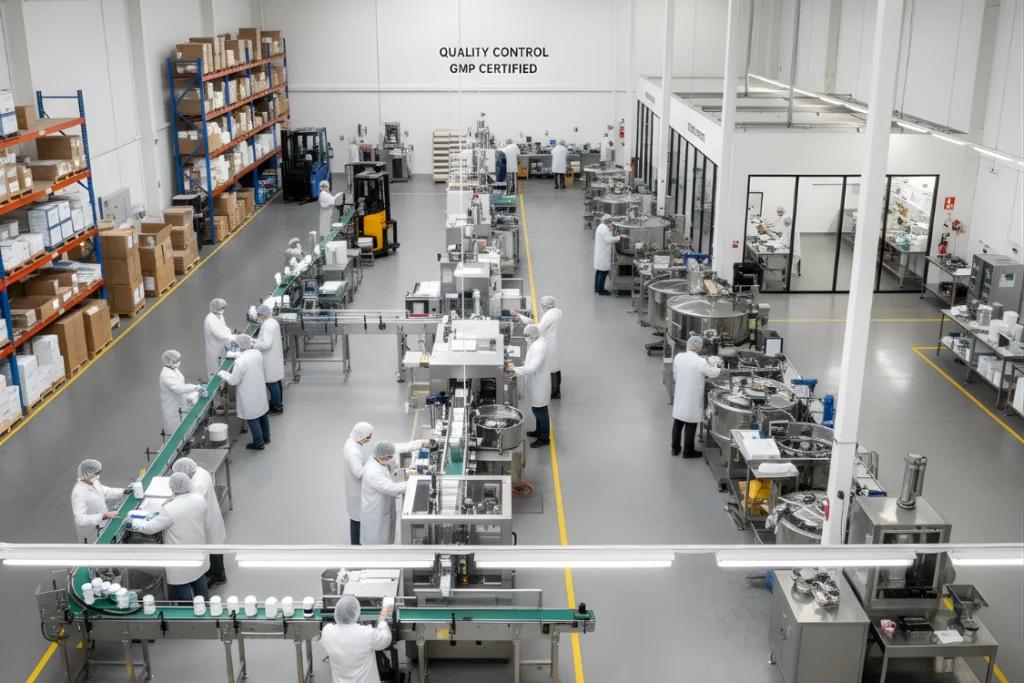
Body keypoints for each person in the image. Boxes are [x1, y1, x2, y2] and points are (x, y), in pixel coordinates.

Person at [128, 472, 210, 602]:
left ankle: (188, 617)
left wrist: (134, 523)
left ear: (172, 487)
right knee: (199, 581)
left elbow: (150, 528)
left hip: (180, 557)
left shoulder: (170, 509)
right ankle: (206, 610)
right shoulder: (199, 499)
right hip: (198, 549)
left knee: (184, 591)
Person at [172, 457, 228, 587]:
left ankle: (219, 576)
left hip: (206, 520)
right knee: (214, 546)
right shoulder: (201, 470)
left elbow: (193, 504)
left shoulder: (198, 486)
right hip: (211, 515)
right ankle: (213, 571)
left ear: (188, 473)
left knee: (213, 549)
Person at [321, 595, 393, 683]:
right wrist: (382, 620)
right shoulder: (366, 633)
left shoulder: (327, 632)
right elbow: (385, 639)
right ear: (356, 613)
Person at [671, 336, 722, 458]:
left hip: (680, 394)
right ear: (699, 348)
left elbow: (675, 376)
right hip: (692, 398)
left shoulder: (678, 357)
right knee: (690, 423)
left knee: (678, 423)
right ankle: (688, 451)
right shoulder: (700, 362)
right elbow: (713, 373)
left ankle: (675, 448)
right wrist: (719, 366)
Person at [217, 335, 270, 450]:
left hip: (248, 392)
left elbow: (234, 380)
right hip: (259, 388)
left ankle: (259, 443)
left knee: (252, 417)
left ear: (240, 346)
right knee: (262, 413)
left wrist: (223, 374)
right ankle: (266, 437)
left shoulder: (241, 361)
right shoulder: (257, 353)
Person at [505, 324, 550, 448]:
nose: (525, 337)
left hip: (539, 383)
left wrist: (515, 369)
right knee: (539, 409)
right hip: (537, 381)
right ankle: (539, 431)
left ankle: (544, 438)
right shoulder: (538, 343)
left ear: (533, 335)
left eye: (526, 336)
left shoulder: (539, 346)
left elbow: (533, 367)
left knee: (540, 411)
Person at [512, 295, 562, 399]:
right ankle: (557, 388)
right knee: (556, 367)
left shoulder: (548, 316)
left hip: (549, 343)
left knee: (551, 368)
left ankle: (554, 392)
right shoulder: (557, 312)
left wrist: (527, 331)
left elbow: (538, 328)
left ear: (545, 306)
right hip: (555, 342)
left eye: (542, 305)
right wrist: (519, 315)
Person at [360, 442, 409, 545]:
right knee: (377, 543)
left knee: (386, 539)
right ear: (380, 455)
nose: (389, 460)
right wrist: (410, 484)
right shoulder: (373, 471)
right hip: (375, 514)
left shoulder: (378, 461)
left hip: (383, 507)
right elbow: (391, 488)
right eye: (388, 457)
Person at [71, 459, 127, 542]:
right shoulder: (79, 493)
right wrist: (104, 516)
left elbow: (105, 491)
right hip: (90, 534)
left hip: (103, 525)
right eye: (96, 474)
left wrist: (123, 492)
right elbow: (80, 519)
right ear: (88, 474)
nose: (98, 476)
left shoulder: (93, 482)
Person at [159, 350, 205, 435]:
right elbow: (179, 388)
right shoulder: (166, 374)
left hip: (180, 401)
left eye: (178, 360)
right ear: (168, 361)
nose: (178, 362)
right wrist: (195, 387)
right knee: (175, 432)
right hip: (171, 406)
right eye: (175, 361)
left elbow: (181, 385)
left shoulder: (174, 369)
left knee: (184, 426)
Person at [253, 304, 284, 414]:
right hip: (274, 357)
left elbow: (266, 345)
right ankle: (278, 403)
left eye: (258, 315)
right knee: (277, 381)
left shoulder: (267, 326)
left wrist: (253, 344)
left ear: (261, 315)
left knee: (271, 383)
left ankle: (277, 407)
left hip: (269, 358)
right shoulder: (273, 322)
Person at [204, 298, 236, 379]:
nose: (221, 310)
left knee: (222, 366)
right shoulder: (211, 319)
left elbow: (224, 328)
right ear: (213, 307)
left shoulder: (219, 315)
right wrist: (236, 338)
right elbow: (223, 334)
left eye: (223, 308)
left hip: (221, 346)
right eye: (220, 308)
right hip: (214, 348)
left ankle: (223, 381)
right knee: (215, 370)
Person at [593, 214, 621, 295]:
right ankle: (601, 290)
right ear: (607, 221)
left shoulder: (601, 226)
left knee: (599, 271)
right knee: (603, 272)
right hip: (603, 253)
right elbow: (609, 240)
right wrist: (619, 237)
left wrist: (611, 230)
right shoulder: (604, 229)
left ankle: (597, 288)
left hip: (600, 252)